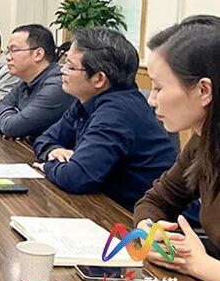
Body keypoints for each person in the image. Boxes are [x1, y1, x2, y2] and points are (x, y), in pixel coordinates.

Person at [32, 27, 177, 211]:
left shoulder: (117, 112)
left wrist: (48, 166)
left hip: (144, 217)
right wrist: (54, 150)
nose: (63, 71)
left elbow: (76, 177)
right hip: (112, 205)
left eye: (71, 66)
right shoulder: (87, 100)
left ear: (99, 79)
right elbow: (45, 139)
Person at [133, 15, 220, 281]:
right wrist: (151, 232)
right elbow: (157, 200)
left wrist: (198, 264)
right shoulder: (202, 141)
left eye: (159, 87)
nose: (151, 100)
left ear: (204, 90)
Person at [0, 24, 73, 141]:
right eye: (8, 51)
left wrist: (12, 124)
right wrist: (11, 121)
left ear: (38, 54)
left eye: (14, 50)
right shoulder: (24, 82)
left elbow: (12, 128)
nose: (8, 57)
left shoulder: (57, 86)